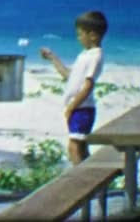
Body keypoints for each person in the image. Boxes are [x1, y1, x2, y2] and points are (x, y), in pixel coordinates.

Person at [39, 11, 108, 165]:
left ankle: (82, 181)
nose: (78, 38)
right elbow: (69, 75)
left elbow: (88, 86)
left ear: (93, 35)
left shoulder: (95, 56)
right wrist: (52, 57)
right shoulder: (85, 55)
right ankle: (91, 179)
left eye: (80, 34)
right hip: (79, 108)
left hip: (82, 108)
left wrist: (72, 107)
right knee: (81, 147)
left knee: (74, 148)